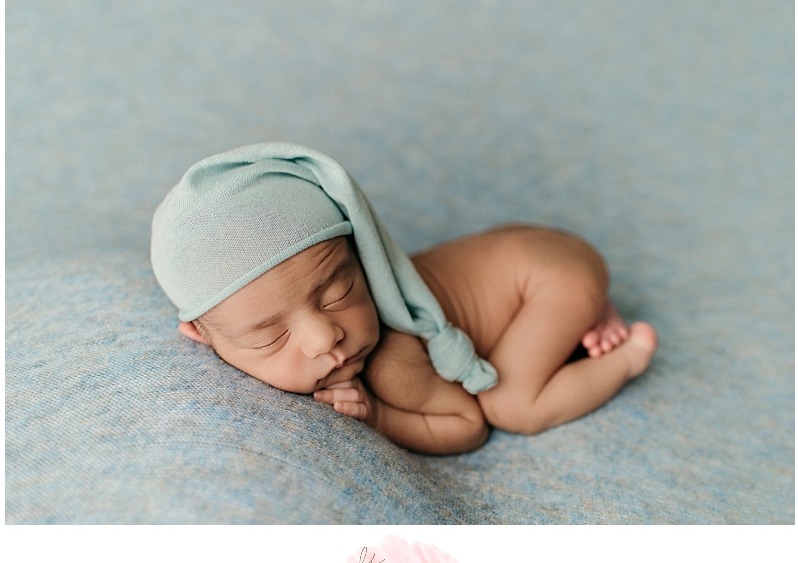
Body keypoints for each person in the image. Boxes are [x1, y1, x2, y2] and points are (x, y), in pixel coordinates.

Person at [152, 143, 657, 455]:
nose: (326, 336)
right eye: (271, 334)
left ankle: (628, 352)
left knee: (513, 406)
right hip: (530, 250)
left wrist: (377, 415)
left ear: (365, 256)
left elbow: (467, 425)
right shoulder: (237, 327)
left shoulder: (391, 360)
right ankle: (588, 311)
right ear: (199, 335)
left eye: (340, 291)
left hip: (550, 276)